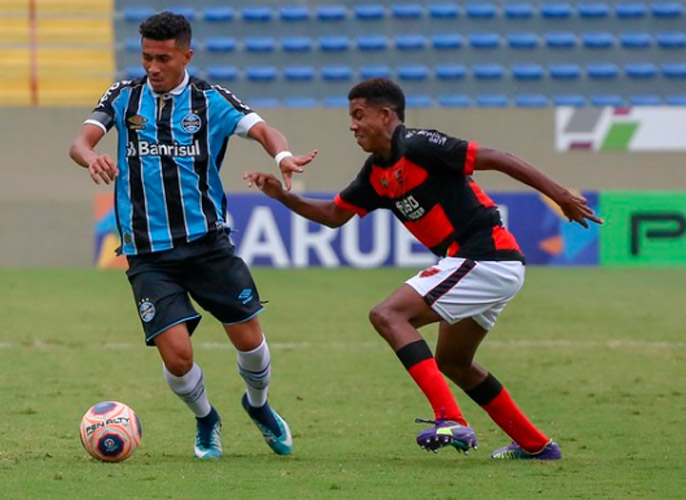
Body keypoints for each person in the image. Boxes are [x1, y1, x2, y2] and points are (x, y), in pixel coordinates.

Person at [244, 78, 602, 460]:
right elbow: (333, 214)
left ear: (386, 115)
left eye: (359, 115)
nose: (352, 125)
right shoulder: (376, 172)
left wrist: (561, 195)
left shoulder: (419, 145)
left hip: (484, 257)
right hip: (481, 264)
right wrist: (282, 196)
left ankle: (451, 418)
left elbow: (498, 158)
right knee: (454, 362)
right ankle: (537, 446)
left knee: (388, 315)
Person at [69, 11, 316, 460]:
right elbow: (80, 142)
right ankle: (206, 420)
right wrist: (91, 157)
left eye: (163, 58)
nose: (153, 67)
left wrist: (282, 155)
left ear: (186, 55)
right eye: (147, 57)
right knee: (177, 356)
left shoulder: (210, 101)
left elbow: (263, 129)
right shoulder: (124, 96)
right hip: (148, 253)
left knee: (250, 341)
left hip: (207, 245)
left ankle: (258, 405)